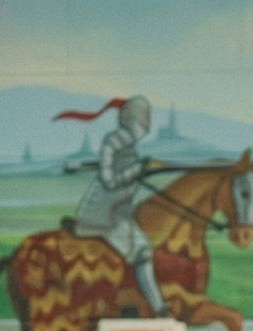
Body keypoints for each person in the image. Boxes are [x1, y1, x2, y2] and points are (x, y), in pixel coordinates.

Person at [58, 95, 171, 316]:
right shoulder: (115, 140)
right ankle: (158, 308)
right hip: (103, 215)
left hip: (117, 212)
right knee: (143, 250)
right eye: (143, 118)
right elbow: (110, 181)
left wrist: (144, 168)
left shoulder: (127, 145)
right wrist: (139, 169)